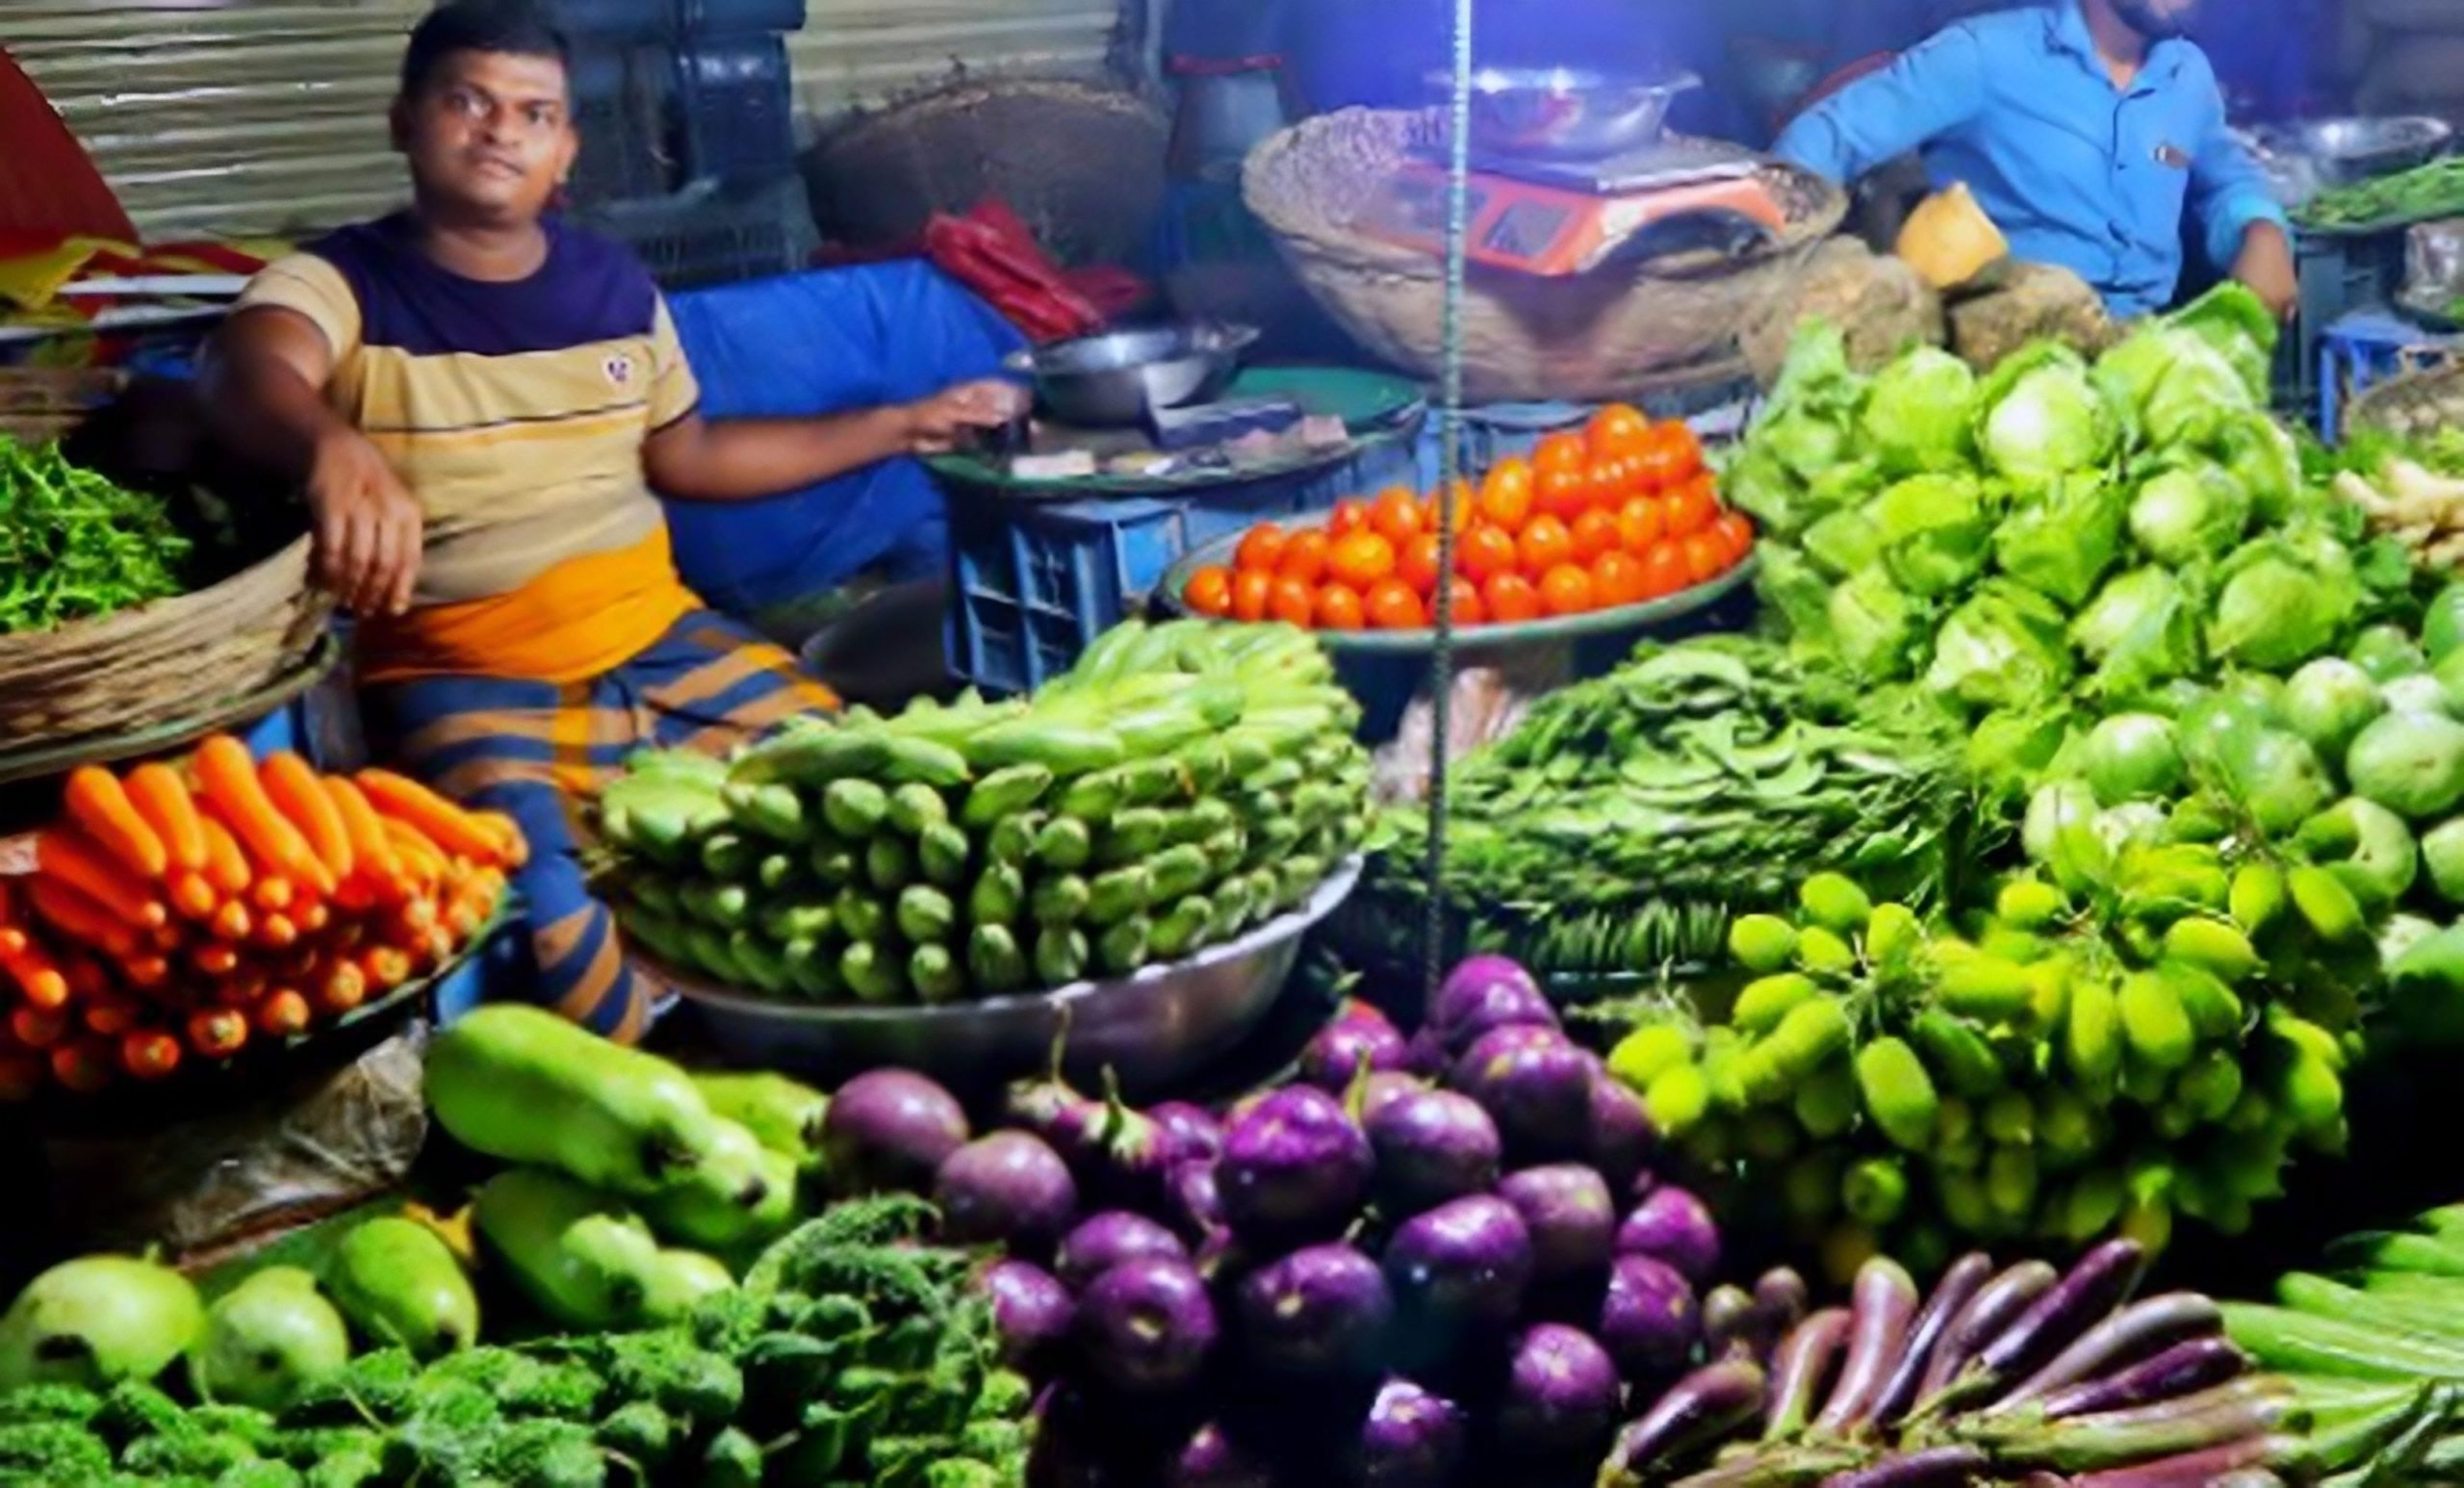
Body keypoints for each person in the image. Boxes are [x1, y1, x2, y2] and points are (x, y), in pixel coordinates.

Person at [200, 0, 1020, 1039]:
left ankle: (861, 1041)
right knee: (553, 904)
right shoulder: (343, 281)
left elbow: (691, 456)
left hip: (661, 632)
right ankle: (680, 1087)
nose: (502, 131)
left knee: (849, 784)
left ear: (566, 149)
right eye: (468, 102)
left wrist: (903, 423)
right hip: (465, 666)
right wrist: (331, 442)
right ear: (403, 122)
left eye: (534, 112)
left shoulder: (612, 285)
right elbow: (244, 364)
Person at [1771, 0, 2297, 321]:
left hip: (2146, 353)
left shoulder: (2189, 77)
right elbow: (1825, 137)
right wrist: (1794, 268)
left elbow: (2225, 176)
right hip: (2008, 364)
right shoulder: (1986, 55)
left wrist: (2261, 230)